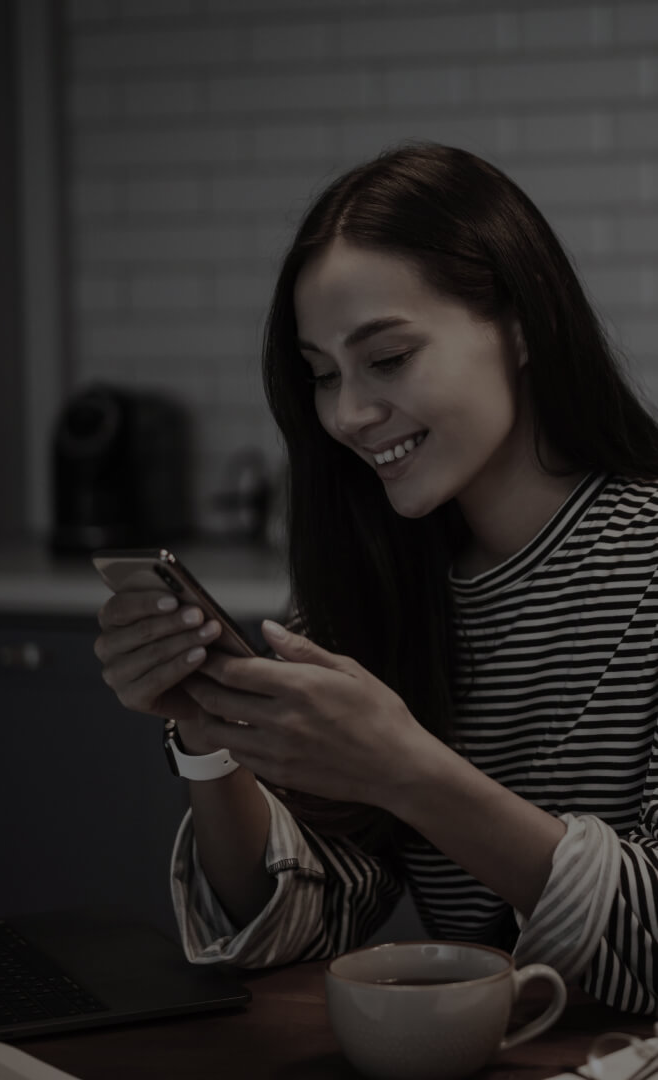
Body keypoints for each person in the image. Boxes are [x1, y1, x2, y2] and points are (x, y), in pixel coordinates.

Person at [94, 142, 658, 1016]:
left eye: (387, 359)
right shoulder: (377, 592)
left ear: (521, 324)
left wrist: (410, 773)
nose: (347, 414)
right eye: (322, 375)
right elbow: (297, 923)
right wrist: (211, 739)